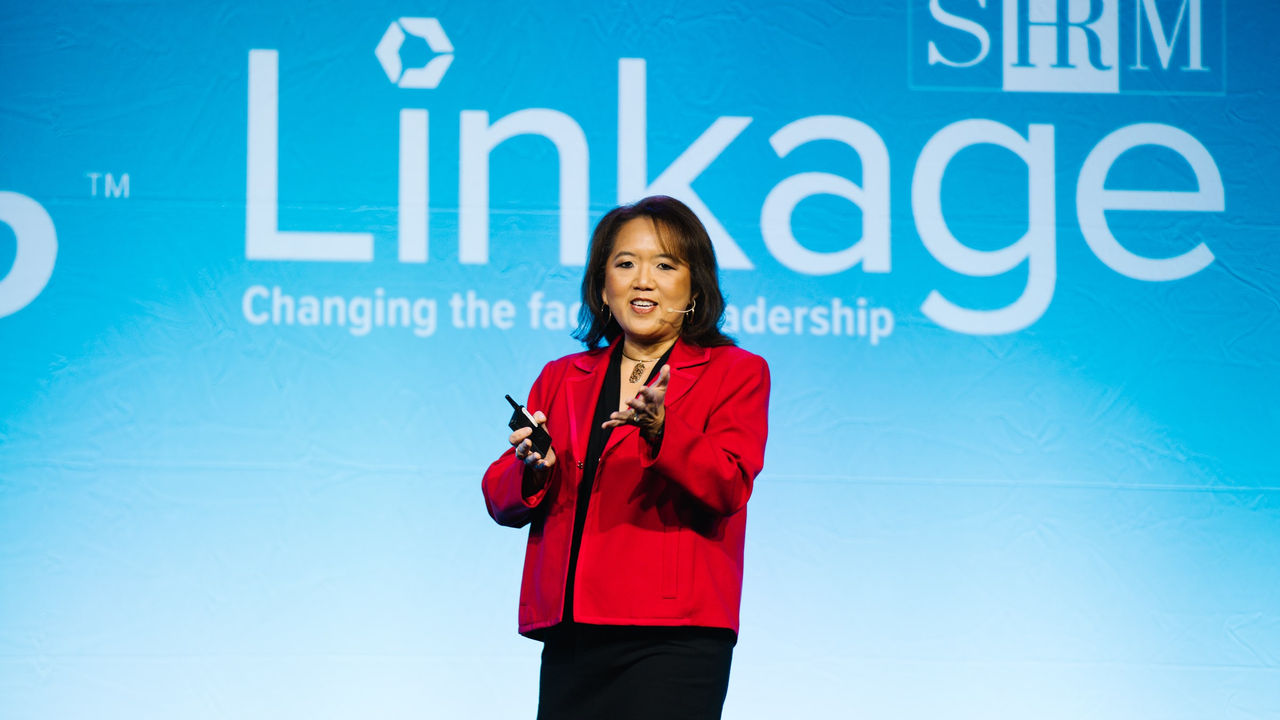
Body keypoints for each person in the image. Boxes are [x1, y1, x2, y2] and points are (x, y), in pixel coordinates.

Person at [482, 195, 770, 720]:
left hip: (674, 636)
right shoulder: (562, 376)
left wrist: (664, 433)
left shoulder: (736, 372)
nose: (643, 280)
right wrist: (531, 466)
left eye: (665, 265)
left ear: (694, 286)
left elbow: (730, 484)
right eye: (625, 263)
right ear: (601, 286)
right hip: (573, 630)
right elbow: (501, 498)